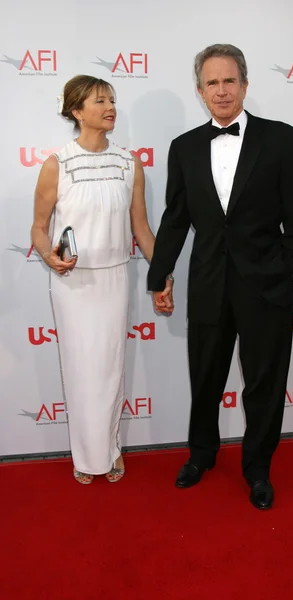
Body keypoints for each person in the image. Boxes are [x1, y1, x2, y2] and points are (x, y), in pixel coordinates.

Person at [147, 44, 293, 509]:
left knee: (264, 381)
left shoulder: (280, 139)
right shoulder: (184, 147)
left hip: (266, 284)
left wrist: (288, 272)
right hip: (208, 282)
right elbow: (176, 218)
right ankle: (202, 454)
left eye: (230, 80)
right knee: (206, 376)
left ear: (244, 84)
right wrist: (161, 275)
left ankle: (258, 468)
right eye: (212, 82)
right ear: (200, 90)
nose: (221, 90)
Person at [31, 75, 172, 484]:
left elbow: (142, 229)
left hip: (114, 278)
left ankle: (110, 449)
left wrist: (162, 273)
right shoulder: (57, 163)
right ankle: (86, 455)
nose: (110, 107)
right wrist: (48, 256)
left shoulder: (129, 162)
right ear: (77, 111)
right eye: (99, 101)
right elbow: (39, 228)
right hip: (72, 284)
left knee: (110, 367)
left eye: (112, 99)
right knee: (79, 367)